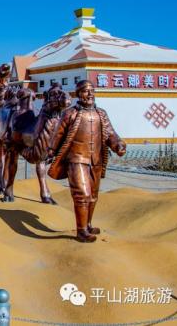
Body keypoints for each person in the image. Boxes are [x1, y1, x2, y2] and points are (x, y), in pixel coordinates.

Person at [48, 80, 126, 242]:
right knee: (82, 194)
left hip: (96, 160)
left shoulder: (101, 114)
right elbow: (58, 134)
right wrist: (50, 151)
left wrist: (118, 144)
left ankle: (88, 224)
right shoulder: (70, 113)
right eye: (85, 91)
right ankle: (81, 231)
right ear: (78, 94)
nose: (90, 94)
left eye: (92, 90)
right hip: (76, 159)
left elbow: (110, 133)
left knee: (93, 196)